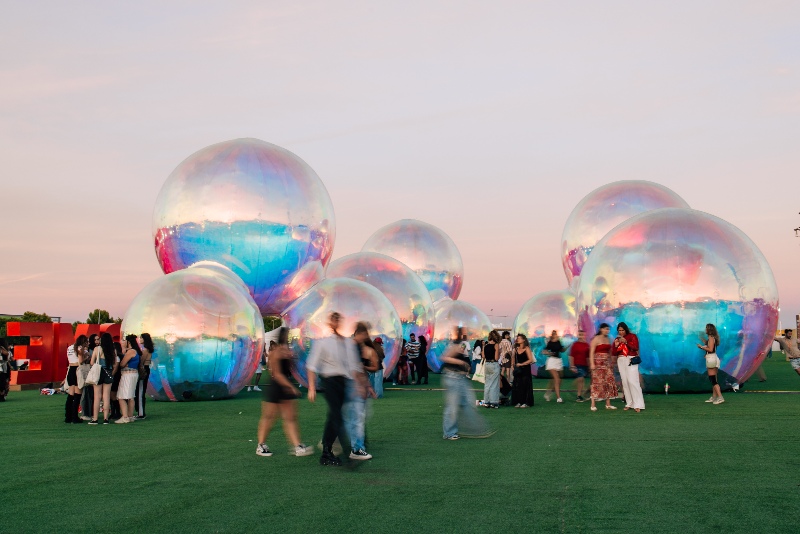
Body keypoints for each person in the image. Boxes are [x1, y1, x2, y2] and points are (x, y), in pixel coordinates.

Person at [306, 312, 369, 467]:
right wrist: (312, 387)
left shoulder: (347, 343)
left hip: (344, 382)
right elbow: (311, 365)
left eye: (338, 319)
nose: (336, 322)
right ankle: (335, 453)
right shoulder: (323, 342)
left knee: (336, 416)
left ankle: (328, 449)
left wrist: (360, 384)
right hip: (329, 381)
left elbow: (354, 366)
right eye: (333, 319)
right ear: (330, 322)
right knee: (337, 416)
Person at [256, 328, 314, 457]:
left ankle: (298, 446)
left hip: (285, 386)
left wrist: (292, 358)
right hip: (276, 387)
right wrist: (291, 387)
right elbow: (276, 374)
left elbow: (292, 368)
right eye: (287, 335)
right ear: (283, 336)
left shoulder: (288, 351)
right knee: (269, 417)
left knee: (290, 417)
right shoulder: (276, 351)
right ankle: (261, 445)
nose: (289, 337)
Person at [441, 327, 493, 440]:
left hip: (460, 378)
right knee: (452, 407)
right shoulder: (456, 345)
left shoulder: (462, 344)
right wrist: (460, 362)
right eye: (465, 332)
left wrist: (465, 365)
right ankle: (449, 433)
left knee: (468, 403)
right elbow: (444, 358)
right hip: (453, 377)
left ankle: (475, 429)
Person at [346, 322, 378, 460]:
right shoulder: (352, 347)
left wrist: (367, 386)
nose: (366, 337)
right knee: (357, 419)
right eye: (365, 334)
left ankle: (344, 444)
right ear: (361, 333)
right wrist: (360, 385)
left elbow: (359, 367)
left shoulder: (356, 347)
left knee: (353, 418)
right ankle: (357, 449)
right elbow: (354, 368)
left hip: (353, 385)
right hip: (352, 385)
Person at [613, 322, 645, 412]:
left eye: (622, 330)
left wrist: (626, 342)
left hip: (630, 359)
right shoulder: (617, 339)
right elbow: (614, 352)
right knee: (625, 382)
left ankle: (638, 404)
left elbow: (635, 347)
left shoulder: (632, 336)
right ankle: (629, 403)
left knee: (633, 381)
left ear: (626, 329)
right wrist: (616, 346)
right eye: (619, 330)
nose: (621, 332)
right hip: (621, 360)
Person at [89, 333, 118, 425]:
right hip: (108, 373)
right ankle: (106, 418)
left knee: (97, 396)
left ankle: (95, 419)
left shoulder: (97, 349)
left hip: (98, 373)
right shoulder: (113, 350)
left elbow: (92, 362)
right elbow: (114, 364)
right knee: (106, 396)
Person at [589, 323, 618, 411]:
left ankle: (608, 404)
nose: (607, 331)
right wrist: (592, 364)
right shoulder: (596, 338)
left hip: (606, 363)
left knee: (608, 381)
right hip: (597, 362)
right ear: (601, 329)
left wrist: (611, 361)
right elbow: (591, 352)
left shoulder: (608, 339)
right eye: (605, 329)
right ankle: (593, 404)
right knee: (596, 382)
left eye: (608, 329)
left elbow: (610, 351)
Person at [116, 334, 141, 423]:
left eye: (124, 340)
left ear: (128, 342)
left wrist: (124, 361)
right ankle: (130, 416)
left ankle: (125, 416)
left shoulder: (130, 352)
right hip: (134, 374)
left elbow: (122, 364)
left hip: (127, 375)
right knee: (131, 396)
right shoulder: (135, 351)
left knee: (121, 396)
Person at [698, 324, 724, 405]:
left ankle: (720, 397)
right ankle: (714, 397)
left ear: (709, 330)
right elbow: (709, 345)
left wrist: (701, 347)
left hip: (711, 359)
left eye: (706, 328)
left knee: (712, 380)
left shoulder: (711, 338)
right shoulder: (712, 338)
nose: (705, 330)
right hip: (713, 358)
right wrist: (702, 340)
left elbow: (710, 349)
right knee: (714, 379)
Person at [64, 335, 87, 423]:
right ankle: (75, 417)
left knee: (71, 395)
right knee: (78, 395)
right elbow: (80, 361)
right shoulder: (80, 348)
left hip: (70, 370)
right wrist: (86, 357)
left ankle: (68, 416)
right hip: (77, 370)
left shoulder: (70, 347)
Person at [80, 334, 99, 421]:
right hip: (88, 373)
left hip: (95, 373)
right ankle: (85, 413)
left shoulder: (98, 349)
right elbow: (83, 361)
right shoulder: (87, 350)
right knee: (86, 393)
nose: (97, 341)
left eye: (98, 339)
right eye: (95, 340)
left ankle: (91, 412)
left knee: (93, 394)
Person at [511, 334, 534, 408]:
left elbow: (530, 360)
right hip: (518, 370)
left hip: (525, 369)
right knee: (518, 385)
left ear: (524, 340)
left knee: (525, 385)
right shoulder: (516, 349)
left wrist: (521, 364)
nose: (518, 339)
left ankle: (526, 402)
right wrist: (512, 365)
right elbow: (513, 358)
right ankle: (518, 401)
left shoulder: (527, 348)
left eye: (519, 338)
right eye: (517, 338)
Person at [135, 333, 154, 419]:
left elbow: (141, 361)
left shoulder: (145, 350)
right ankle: (140, 411)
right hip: (146, 368)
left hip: (144, 369)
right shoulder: (147, 349)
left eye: (141, 338)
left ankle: (141, 413)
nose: (140, 339)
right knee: (141, 390)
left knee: (140, 391)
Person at [569, 330, 590, 402]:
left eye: (582, 334)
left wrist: (589, 365)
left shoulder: (587, 345)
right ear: (578, 335)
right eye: (580, 334)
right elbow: (571, 355)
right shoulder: (575, 344)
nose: (581, 336)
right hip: (577, 364)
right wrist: (572, 365)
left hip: (584, 364)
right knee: (580, 378)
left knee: (582, 379)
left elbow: (587, 356)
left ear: (585, 335)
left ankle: (581, 393)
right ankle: (579, 395)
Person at [544, 330, 565, 403]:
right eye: (554, 334)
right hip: (552, 361)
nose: (555, 335)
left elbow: (561, 350)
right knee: (557, 379)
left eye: (555, 334)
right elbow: (545, 351)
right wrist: (549, 353)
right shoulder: (550, 342)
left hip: (558, 361)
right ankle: (558, 398)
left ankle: (549, 392)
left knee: (559, 379)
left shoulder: (558, 342)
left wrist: (565, 348)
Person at [483, 331, 500, 408]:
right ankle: (494, 402)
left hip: (487, 364)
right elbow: (496, 358)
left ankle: (486, 401)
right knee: (494, 384)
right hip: (494, 364)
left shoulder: (486, 346)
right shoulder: (496, 345)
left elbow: (483, 356)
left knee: (487, 384)